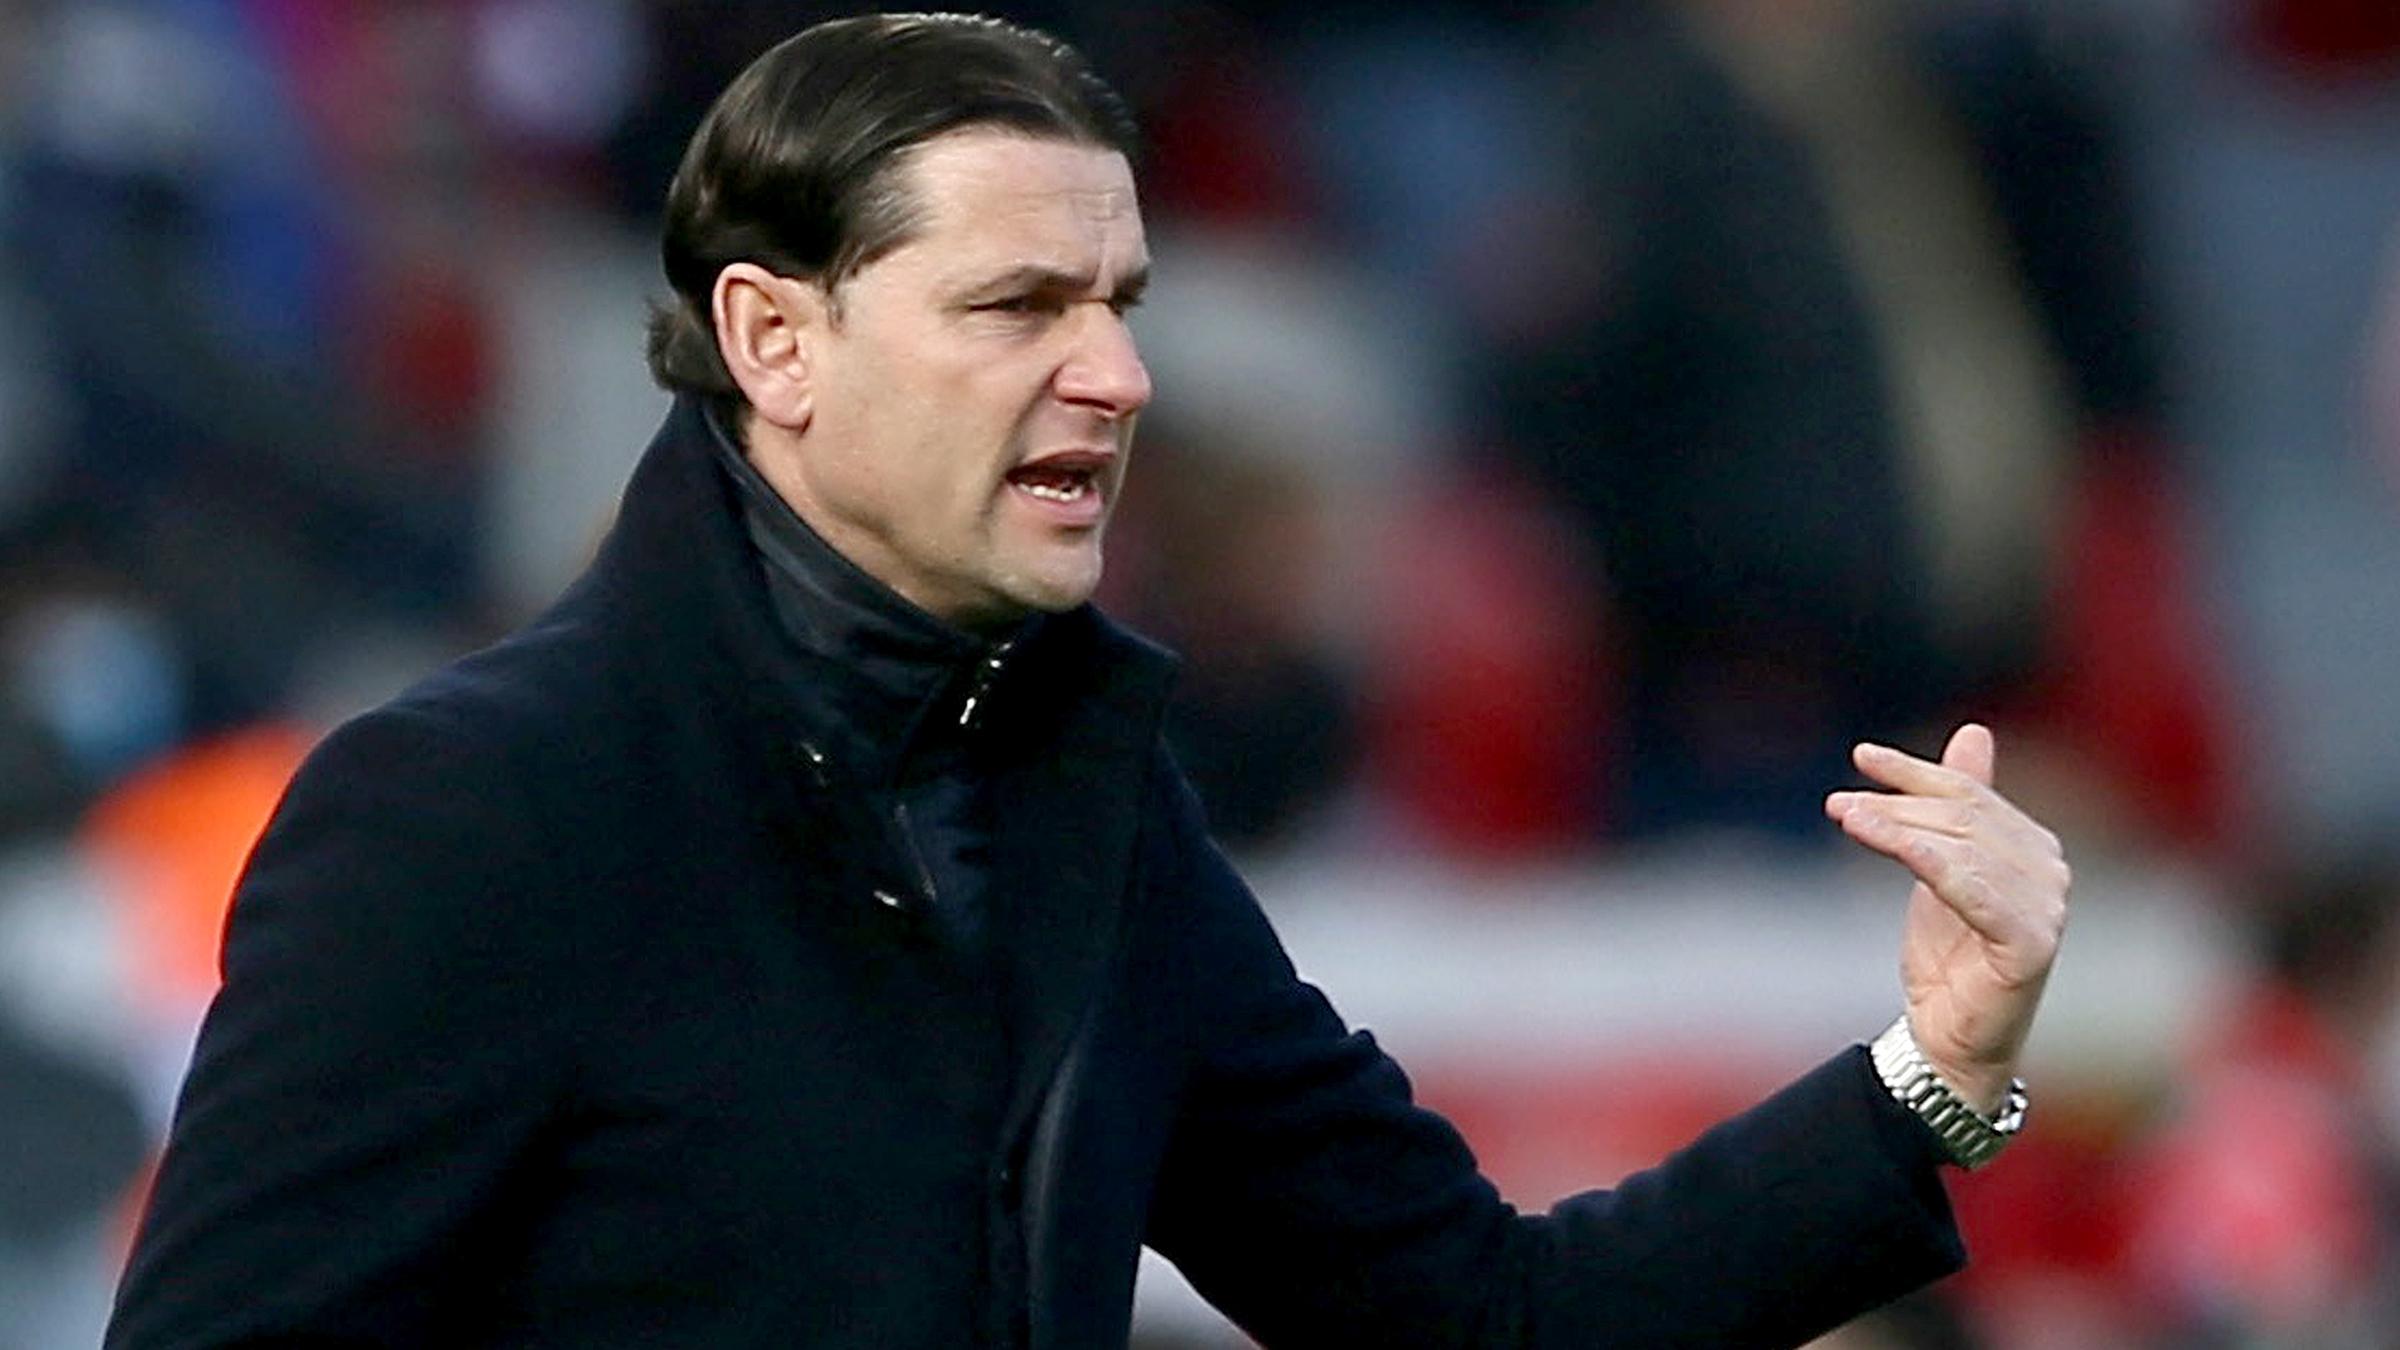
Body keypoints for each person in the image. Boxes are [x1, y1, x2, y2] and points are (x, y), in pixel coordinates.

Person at [104, 13, 2072, 1348]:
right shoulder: (471, 809)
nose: (1118, 377)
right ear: (774, 340)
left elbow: (1481, 1316)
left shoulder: (1084, 805)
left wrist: (1936, 1072)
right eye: (1017, 305)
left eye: (1121, 305)